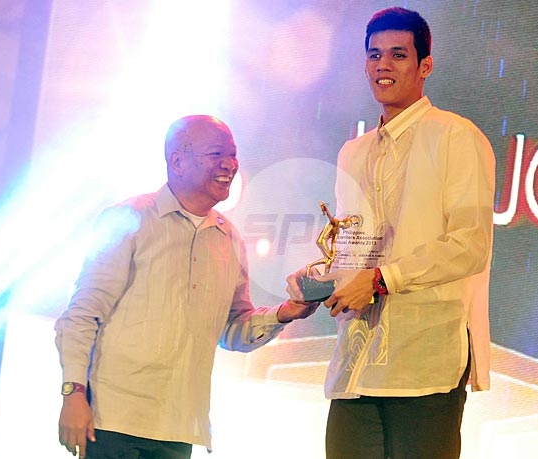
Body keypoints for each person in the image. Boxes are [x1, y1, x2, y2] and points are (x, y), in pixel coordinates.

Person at [289, 7, 496, 459]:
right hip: (356, 360)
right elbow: (354, 248)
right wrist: (321, 280)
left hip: (425, 359)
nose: (383, 65)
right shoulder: (352, 152)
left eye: (398, 54)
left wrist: (382, 279)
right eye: (374, 55)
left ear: (425, 66)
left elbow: (470, 245)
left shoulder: (456, 137)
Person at [55, 115, 319, 459]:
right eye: (216, 154)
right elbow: (82, 314)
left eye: (233, 154)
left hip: (179, 427)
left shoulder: (229, 239)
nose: (230, 165)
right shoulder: (129, 219)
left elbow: (233, 329)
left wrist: (285, 313)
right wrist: (73, 393)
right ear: (177, 161)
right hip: (113, 421)